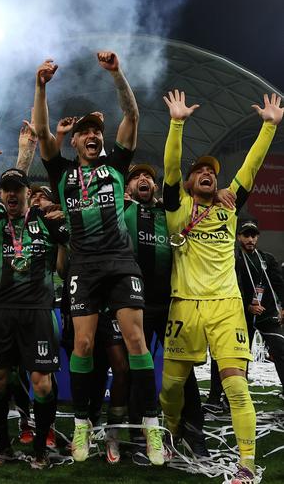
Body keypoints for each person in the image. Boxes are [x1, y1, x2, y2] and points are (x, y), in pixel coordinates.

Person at [34, 52, 163, 465]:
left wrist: (117, 73)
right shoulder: (62, 173)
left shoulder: (117, 166)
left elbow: (132, 114)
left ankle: (151, 426)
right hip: (84, 268)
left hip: (121, 263)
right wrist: (41, 86)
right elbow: (40, 131)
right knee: (85, 344)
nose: (92, 135)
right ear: (73, 141)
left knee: (136, 341)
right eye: (84, 132)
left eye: (96, 131)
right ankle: (84, 423)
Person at [159, 90, 282, 484]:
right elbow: (171, 168)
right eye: (201, 171)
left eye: (212, 170)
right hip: (184, 306)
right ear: (191, 180)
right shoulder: (177, 207)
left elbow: (251, 166)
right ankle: (171, 434)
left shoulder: (228, 206)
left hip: (227, 305)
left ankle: (246, 463)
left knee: (235, 384)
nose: (208, 173)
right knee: (172, 387)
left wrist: (268, 127)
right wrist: (177, 123)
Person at [0, 164, 69, 469]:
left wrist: (64, 239)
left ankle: (40, 448)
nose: (11, 193)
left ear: (27, 193)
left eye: (17, 188)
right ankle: (1, 444)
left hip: (39, 310)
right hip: (3, 312)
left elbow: (62, 270)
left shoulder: (45, 220)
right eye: (6, 188)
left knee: (42, 384)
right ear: (2, 193)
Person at [124, 163, 209, 460]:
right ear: (127, 189)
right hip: (136, 306)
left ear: (156, 186)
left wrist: (221, 191)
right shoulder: (123, 211)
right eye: (135, 177)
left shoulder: (169, 213)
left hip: (173, 305)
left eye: (147, 176)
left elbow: (195, 197)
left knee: (185, 374)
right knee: (139, 374)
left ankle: (192, 435)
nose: (142, 179)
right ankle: (138, 438)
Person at [235, 220, 284, 392]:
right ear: (238, 236)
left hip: (266, 313)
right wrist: (247, 306)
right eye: (246, 235)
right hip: (241, 315)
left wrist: (283, 307)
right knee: (239, 356)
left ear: (257, 237)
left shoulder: (267, 259)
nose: (250, 239)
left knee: (280, 348)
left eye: (253, 235)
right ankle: (230, 396)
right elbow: (231, 286)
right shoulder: (234, 258)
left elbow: (279, 285)